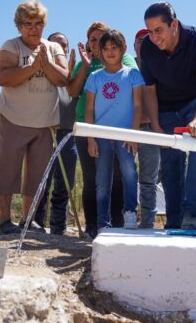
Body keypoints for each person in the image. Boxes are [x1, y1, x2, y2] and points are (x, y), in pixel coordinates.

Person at [0, 0, 68, 234]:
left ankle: (29, 220)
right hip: (13, 118)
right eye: (27, 24)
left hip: (44, 122)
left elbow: (64, 78)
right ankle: (3, 220)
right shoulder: (11, 46)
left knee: (37, 175)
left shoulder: (52, 48)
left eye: (38, 24)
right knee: (7, 170)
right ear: (19, 26)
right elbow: (2, 78)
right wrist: (32, 66)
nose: (33, 29)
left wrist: (45, 66)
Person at [139, 2, 196, 229]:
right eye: (150, 32)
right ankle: (174, 220)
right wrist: (155, 124)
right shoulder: (147, 47)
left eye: (158, 30)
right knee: (170, 162)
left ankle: (192, 214)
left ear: (173, 24)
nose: (154, 37)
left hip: (195, 103)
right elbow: (149, 89)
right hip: (165, 108)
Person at [68, 22, 135, 238]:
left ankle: (116, 225)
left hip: (115, 130)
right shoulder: (85, 65)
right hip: (87, 129)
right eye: (93, 40)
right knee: (91, 179)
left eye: (101, 39)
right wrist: (85, 65)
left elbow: (133, 85)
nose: (97, 45)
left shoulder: (123, 60)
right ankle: (92, 227)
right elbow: (73, 91)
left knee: (115, 178)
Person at [84, 30, 143, 230]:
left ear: (123, 49)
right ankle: (103, 221)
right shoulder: (94, 77)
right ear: (99, 52)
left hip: (126, 134)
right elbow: (89, 109)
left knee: (129, 173)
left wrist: (134, 134)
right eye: (106, 48)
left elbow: (137, 106)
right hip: (101, 135)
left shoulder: (133, 74)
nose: (110, 52)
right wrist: (90, 137)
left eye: (114, 48)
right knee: (102, 178)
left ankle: (130, 214)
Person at [33, 31, 79, 235]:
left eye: (64, 45)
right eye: (56, 44)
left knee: (65, 182)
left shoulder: (73, 74)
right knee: (42, 181)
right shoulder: (40, 72)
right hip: (45, 129)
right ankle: (36, 223)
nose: (61, 48)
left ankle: (58, 226)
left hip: (69, 132)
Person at [133, 28, 161, 229]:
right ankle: (123, 217)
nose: (143, 42)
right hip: (129, 128)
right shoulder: (127, 66)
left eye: (147, 38)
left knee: (149, 179)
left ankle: (148, 221)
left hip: (154, 128)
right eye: (139, 40)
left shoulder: (160, 64)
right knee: (124, 176)